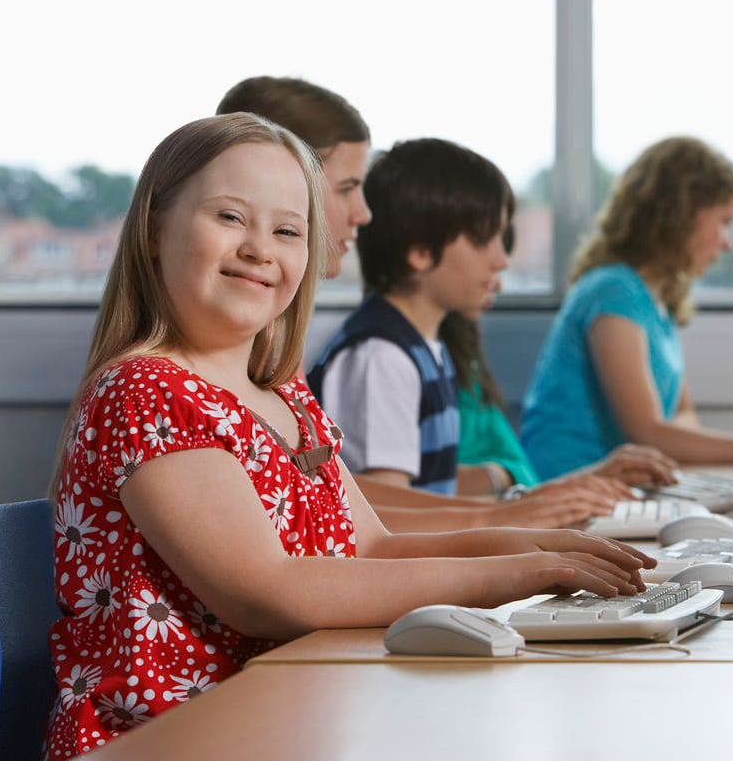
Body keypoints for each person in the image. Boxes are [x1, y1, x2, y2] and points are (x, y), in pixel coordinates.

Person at [42, 113, 653, 758]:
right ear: (155, 230)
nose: (259, 248)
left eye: (287, 230)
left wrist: (538, 548)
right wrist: (503, 576)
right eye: (228, 217)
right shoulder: (147, 391)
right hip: (174, 737)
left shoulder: (286, 396)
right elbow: (265, 592)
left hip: (292, 716)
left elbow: (372, 551)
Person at [216, 75, 641, 529]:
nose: (364, 213)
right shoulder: (375, 353)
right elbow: (355, 511)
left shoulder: (284, 344)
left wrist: (520, 504)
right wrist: (505, 517)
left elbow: (338, 493)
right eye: (346, 188)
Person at [310, 138, 655, 504]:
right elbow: (392, 514)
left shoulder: (426, 347)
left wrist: (562, 493)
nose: (501, 260)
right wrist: (520, 521)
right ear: (420, 252)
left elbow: (430, 490)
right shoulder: (380, 357)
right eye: (483, 241)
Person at [520, 136, 733, 480]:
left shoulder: (655, 301)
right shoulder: (613, 291)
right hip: (567, 491)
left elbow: (682, 418)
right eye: (724, 221)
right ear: (680, 216)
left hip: (619, 490)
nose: (728, 243)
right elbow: (649, 432)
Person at [440, 228, 679, 493]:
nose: (501, 267)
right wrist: (501, 475)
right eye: (482, 241)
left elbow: (522, 493)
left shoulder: (459, 353)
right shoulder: (614, 291)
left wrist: (588, 480)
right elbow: (426, 490)